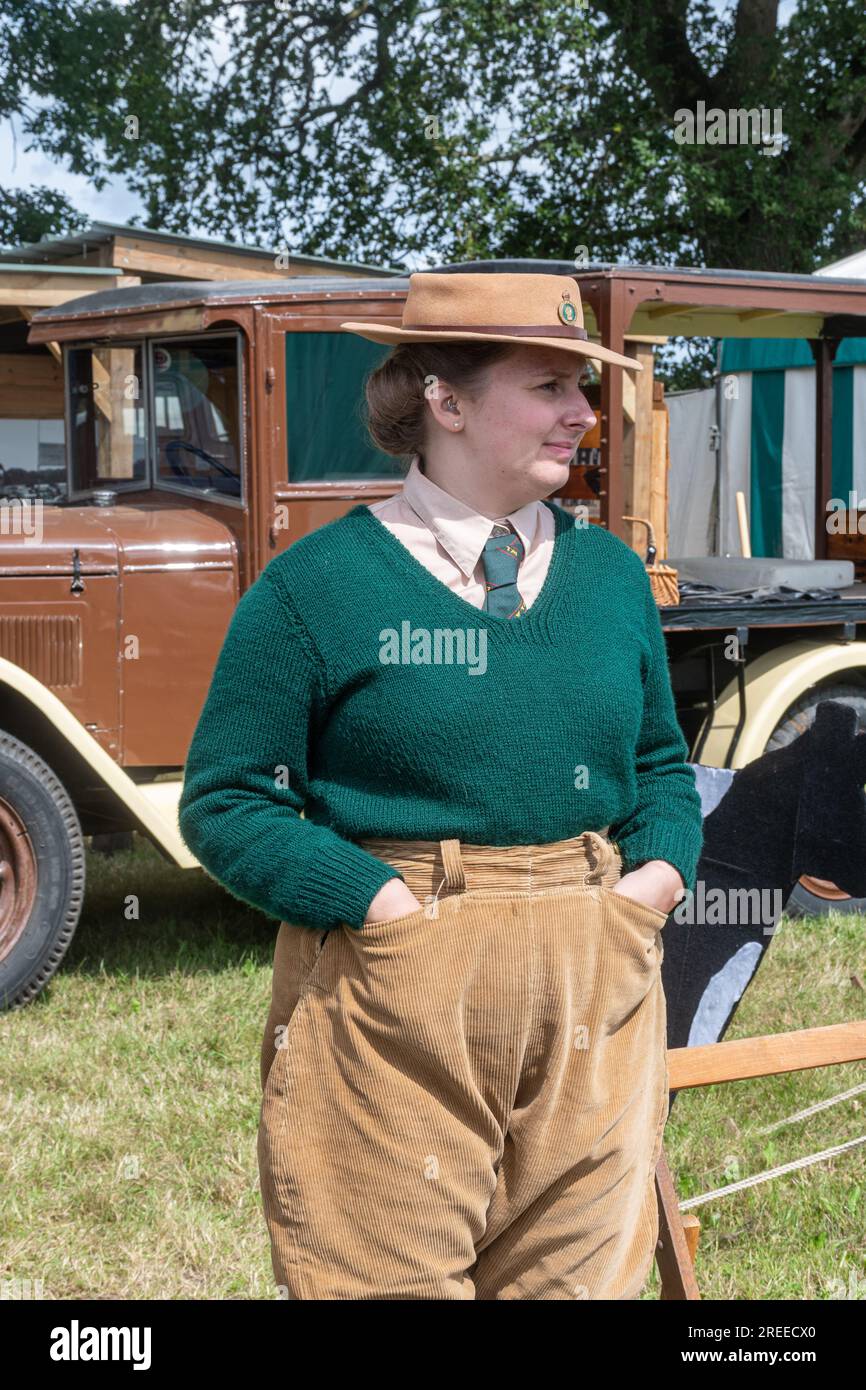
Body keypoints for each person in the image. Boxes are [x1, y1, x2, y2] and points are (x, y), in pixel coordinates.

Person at [177, 271, 704, 1300]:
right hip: (397, 986)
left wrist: (649, 889)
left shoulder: (608, 579)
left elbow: (655, 766)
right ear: (444, 401)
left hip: (596, 972)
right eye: (550, 385)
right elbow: (228, 798)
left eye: (582, 389)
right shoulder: (315, 588)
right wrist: (378, 905)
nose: (582, 414)